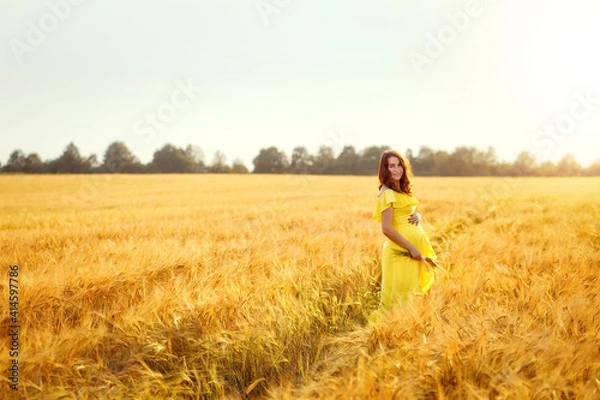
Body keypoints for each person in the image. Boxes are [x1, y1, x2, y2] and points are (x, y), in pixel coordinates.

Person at [372, 150, 436, 308]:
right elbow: (386, 228)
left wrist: (417, 216)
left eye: (399, 165)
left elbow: (404, 212)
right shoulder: (387, 193)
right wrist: (412, 248)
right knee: (397, 302)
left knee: (409, 299)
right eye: (391, 166)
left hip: (411, 253)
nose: (396, 169)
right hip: (400, 253)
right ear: (385, 170)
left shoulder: (401, 190)